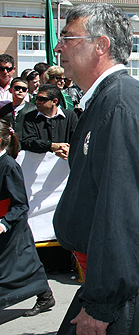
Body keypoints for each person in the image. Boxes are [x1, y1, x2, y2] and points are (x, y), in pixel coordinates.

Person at [53, 3, 139, 334]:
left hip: (126, 297)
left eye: (68, 37)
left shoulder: (122, 105)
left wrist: (100, 306)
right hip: (119, 288)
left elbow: (126, 214)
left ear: (101, 45)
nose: (58, 46)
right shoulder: (112, 100)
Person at [0, 119, 55, 315]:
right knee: (24, 262)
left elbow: (20, 203)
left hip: (10, 223)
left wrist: (5, 222)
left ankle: (44, 296)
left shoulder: (8, 165)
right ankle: (45, 295)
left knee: (21, 264)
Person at [21, 84, 78, 159]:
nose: (37, 101)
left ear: (54, 101)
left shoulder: (70, 116)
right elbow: (28, 141)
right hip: (39, 166)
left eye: (41, 99)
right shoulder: (30, 117)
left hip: (65, 164)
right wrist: (51, 146)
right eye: (36, 98)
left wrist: (66, 149)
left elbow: (77, 139)